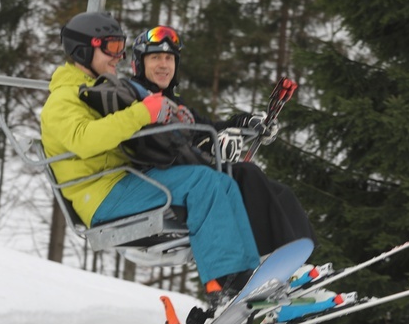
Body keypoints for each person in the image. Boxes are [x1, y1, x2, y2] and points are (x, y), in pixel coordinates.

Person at [40, 12, 261, 306]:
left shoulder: (98, 89)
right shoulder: (63, 99)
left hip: (124, 183)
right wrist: (144, 111)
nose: (118, 57)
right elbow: (86, 140)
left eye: (121, 47)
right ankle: (223, 281)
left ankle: (246, 274)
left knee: (223, 182)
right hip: (101, 196)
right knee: (204, 183)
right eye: (111, 48)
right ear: (82, 49)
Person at [128, 25, 317, 257]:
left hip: (193, 176)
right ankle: (265, 257)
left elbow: (206, 128)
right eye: (155, 57)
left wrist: (245, 122)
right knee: (248, 175)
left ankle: (302, 261)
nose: (164, 64)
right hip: (160, 184)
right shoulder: (135, 100)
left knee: (280, 193)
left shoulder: (175, 104)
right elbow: (150, 144)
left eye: (169, 58)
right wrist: (203, 147)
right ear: (139, 64)